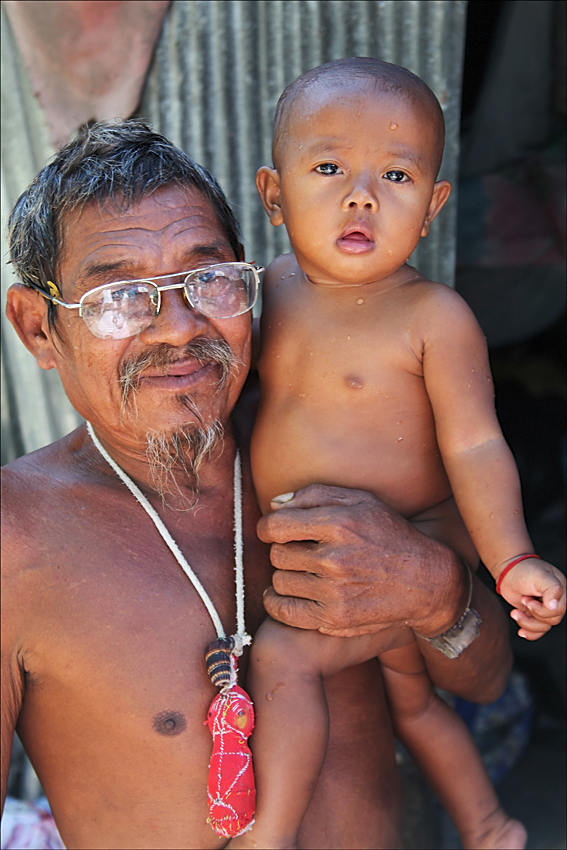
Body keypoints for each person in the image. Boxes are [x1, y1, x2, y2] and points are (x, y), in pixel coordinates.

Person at [2, 120, 513, 850]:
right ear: (38, 329)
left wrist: (435, 589)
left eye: (206, 279)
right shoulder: (15, 537)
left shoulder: (333, 462)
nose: (178, 328)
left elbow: (485, 679)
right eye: (120, 297)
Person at [229, 59, 567, 850]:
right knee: (413, 704)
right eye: (326, 168)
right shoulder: (264, 295)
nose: (360, 195)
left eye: (395, 174)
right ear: (273, 196)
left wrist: (512, 562)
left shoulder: (433, 318)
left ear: (432, 208)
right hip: (320, 558)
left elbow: (476, 444)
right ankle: (488, 825)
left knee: (281, 663)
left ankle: (265, 838)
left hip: (417, 538)